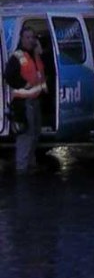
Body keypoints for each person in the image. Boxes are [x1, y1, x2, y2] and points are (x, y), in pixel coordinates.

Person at [4, 27, 48, 174]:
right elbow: (9, 76)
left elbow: (41, 74)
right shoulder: (17, 56)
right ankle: (22, 169)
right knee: (25, 136)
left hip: (35, 101)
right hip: (23, 103)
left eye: (32, 37)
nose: (30, 40)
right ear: (22, 39)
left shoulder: (35, 55)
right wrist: (24, 84)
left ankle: (31, 165)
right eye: (27, 37)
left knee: (35, 134)